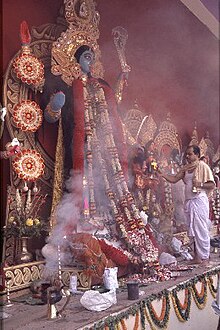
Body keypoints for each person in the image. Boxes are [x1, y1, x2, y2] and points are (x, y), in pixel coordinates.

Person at [158, 145, 215, 264]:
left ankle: (205, 256)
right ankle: (197, 257)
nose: (188, 156)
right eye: (187, 154)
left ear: (197, 155)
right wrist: (163, 175)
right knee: (191, 230)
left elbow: (212, 185)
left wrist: (199, 185)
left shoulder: (203, 166)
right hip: (189, 201)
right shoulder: (185, 168)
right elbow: (174, 179)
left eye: (190, 154)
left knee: (201, 229)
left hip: (199, 200)